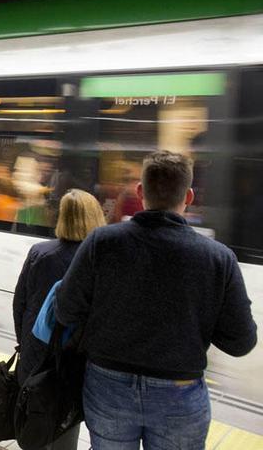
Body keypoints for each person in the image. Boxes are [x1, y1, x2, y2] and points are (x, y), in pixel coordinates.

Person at [56, 151, 257, 450]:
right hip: (180, 393)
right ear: (188, 196)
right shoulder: (218, 258)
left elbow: (65, 310)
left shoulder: (102, 242)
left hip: (107, 385)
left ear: (140, 191)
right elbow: (241, 342)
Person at [11, 189, 106, 450]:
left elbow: (19, 303)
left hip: (36, 354)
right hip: (75, 359)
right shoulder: (100, 260)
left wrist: (25, 342)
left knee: (35, 420)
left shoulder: (39, 252)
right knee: (66, 420)